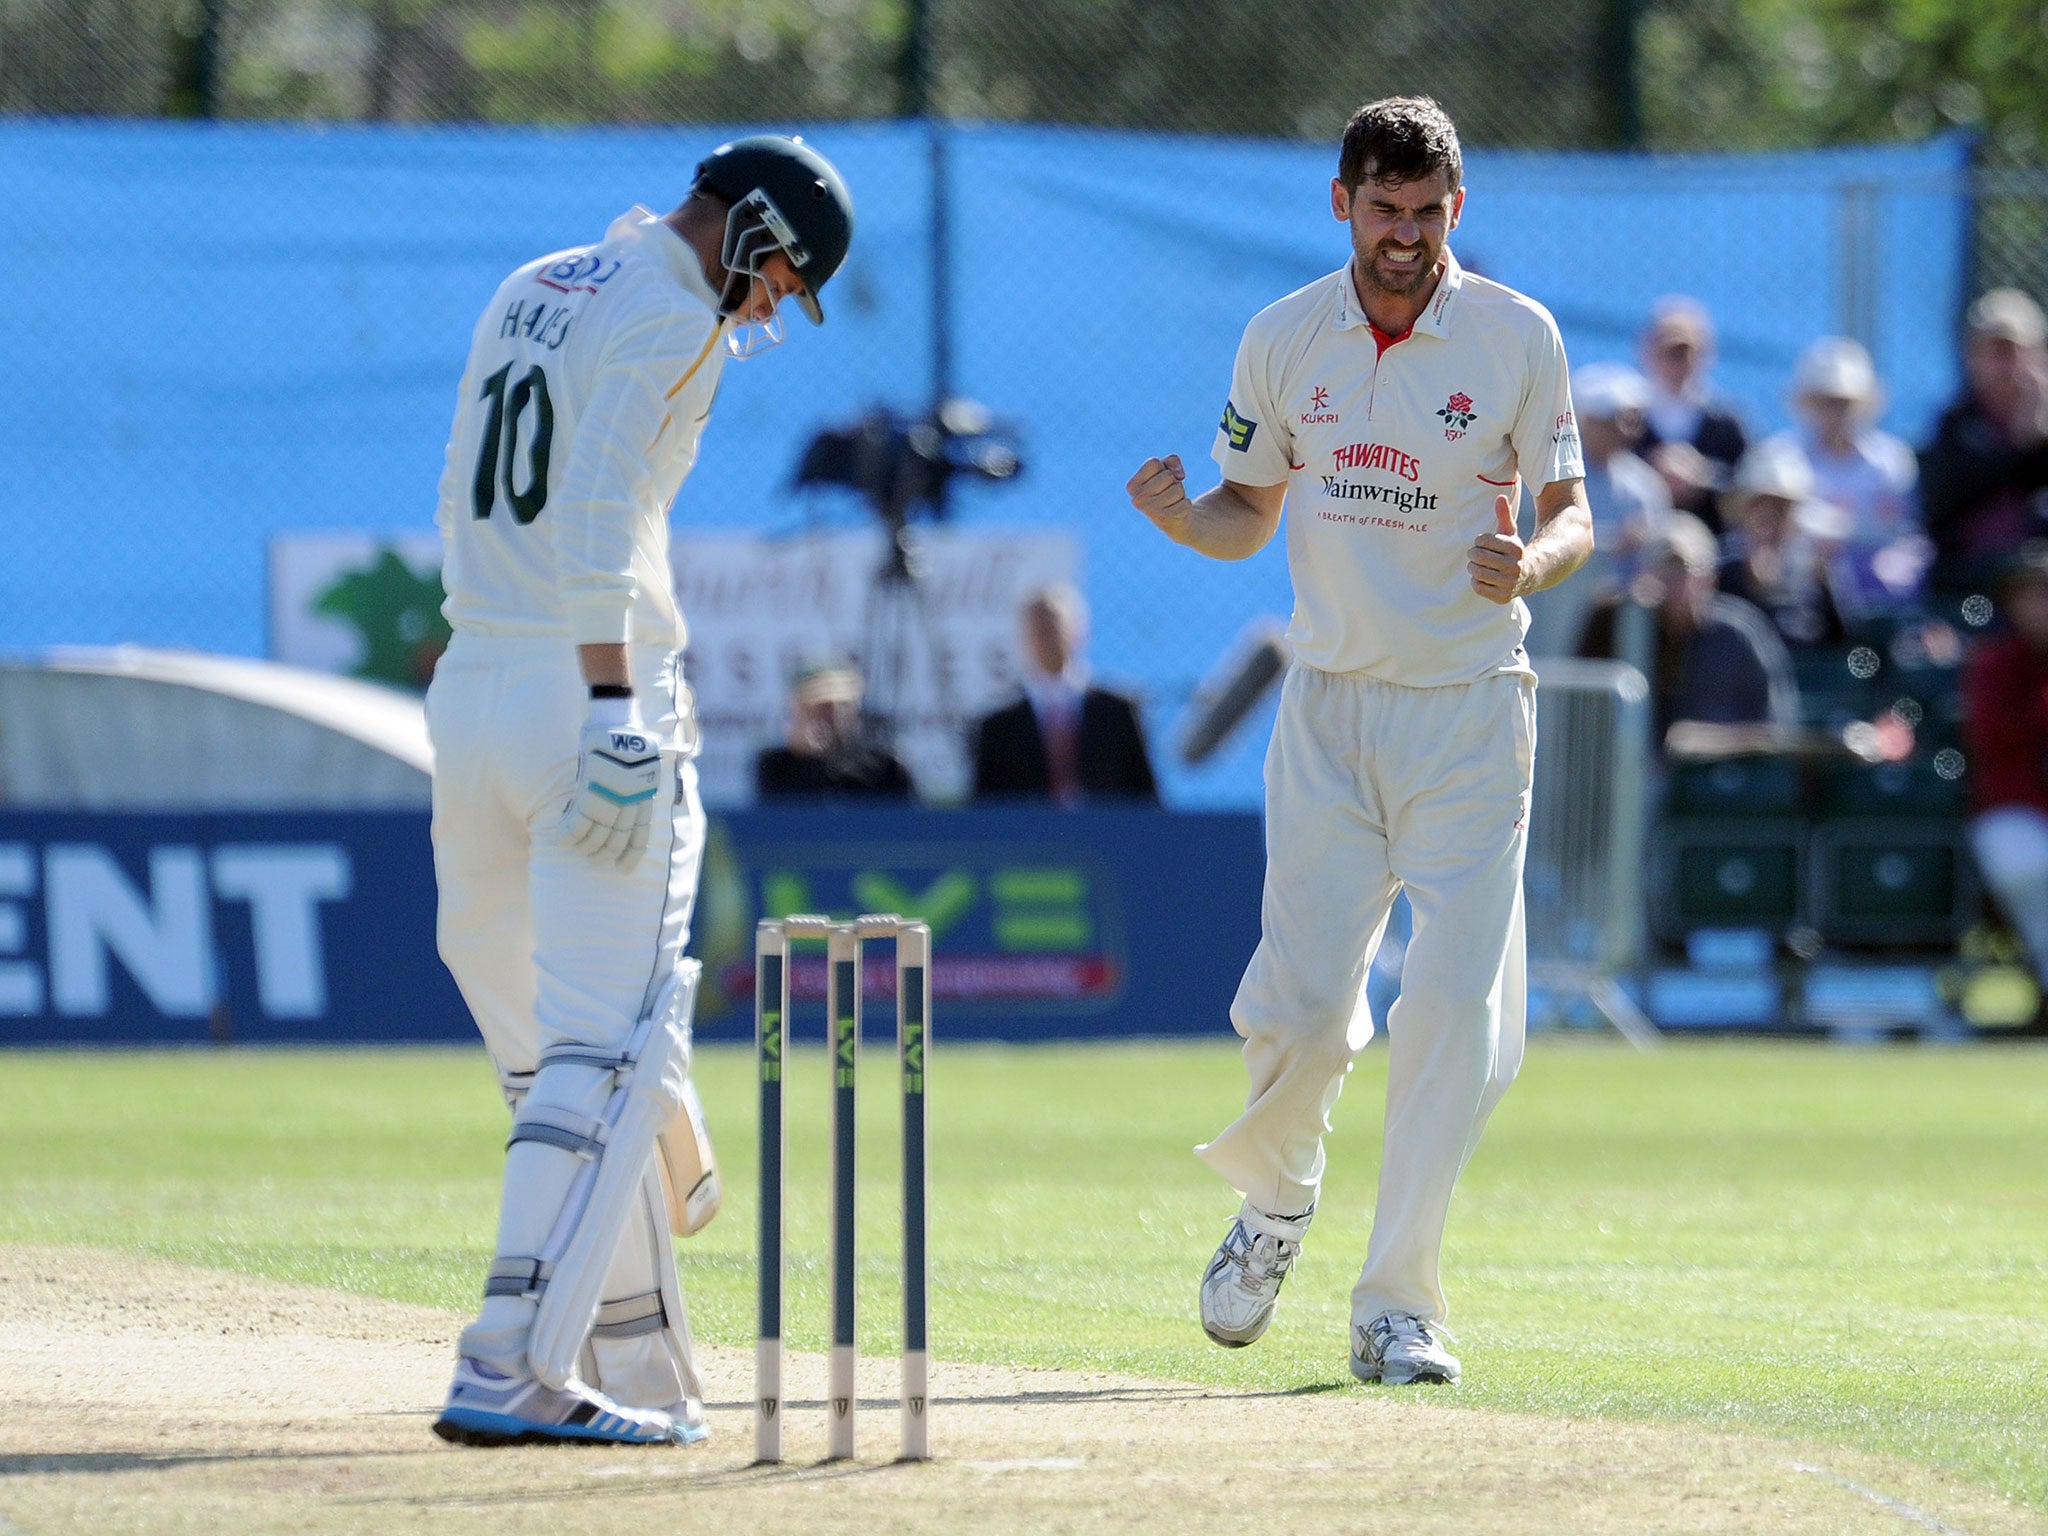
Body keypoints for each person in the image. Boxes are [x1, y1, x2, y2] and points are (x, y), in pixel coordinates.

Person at [1126, 96, 1592, 1388]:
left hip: (1468, 710)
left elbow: (1573, 514)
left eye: (1428, 213)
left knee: (1451, 1010)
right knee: (1301, 1010)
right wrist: (1181, 518)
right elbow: (1244, 513)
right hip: (1330, 708)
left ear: (1459, 208)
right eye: (1384, 211)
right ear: (1341, 204)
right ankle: (1276, 1204)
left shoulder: (1515, 336)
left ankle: (1399, 1305)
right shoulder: (1284, 338)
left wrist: (1529, 564)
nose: (1405, 236)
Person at [423, 135, 854, 1447]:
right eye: (780, 275)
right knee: (604, 1043)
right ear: (750, 227)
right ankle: (508, 1359)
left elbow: (471, 487)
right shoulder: (678, 317)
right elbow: (604, 518)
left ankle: (640, 1364)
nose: (773, 304)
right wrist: (615, 706)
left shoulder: (535, 279)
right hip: (593, 699)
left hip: (475, 688)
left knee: (542, 1054)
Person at [1577, 512, 1799, 748]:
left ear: (1710, 576)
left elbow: (1778, 728)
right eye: (1665, 570)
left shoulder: (1740, 633)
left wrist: (1704, 741)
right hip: (1641, 778)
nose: (1674, 582)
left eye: (1684, 569)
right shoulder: (1623, 624)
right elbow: (1582, 707)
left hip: (1734, 777)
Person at [1524, 360, 1669, 656]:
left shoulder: (1645, 489)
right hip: (1542, 618)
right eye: (1611, 420)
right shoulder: (1544, 473)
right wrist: (1613, 544)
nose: (1623, 430)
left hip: (1605, 637)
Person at [970, 580, 1159, 805]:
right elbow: (986, 810)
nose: (1045, 637)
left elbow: (1145, 798)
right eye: (1037, 629)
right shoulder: (999, 726)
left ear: (1078, 631)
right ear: (1024, 638)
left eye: (1052, 625)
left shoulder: (1118, 711)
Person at [1771, 336, 1922, 616]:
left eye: (1843, 403)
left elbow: (1907, 535)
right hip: (1803, 588)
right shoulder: (1783, 457)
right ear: (1808, 403)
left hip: (1880, 592)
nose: (1835, 413)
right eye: (1826, 402)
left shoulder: (1891, 461)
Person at [1962, 542, 2048, 1028]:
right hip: (2017, 808)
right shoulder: (1994, 664)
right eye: (2033, 595)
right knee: (2025, 861)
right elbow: (1998, 738)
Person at [1921, 288, 2048, 595]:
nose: (2007, 366)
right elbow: (1948, 506)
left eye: (2015, 351)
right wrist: (2027, 450)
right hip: (1971, 581)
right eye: (1994, 352)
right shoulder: (1955, 425)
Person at [1716, 437, 1848, 653]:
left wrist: (1826, 585)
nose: (1770, 517)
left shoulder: (1812, 571)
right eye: (1761, 505)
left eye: (1781, 508)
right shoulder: (1720, 567)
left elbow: (1842, 642)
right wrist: (1749, 581)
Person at [1637, 296, 1748, 532]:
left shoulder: (1725, 424)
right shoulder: (1629, 417)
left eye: (1685, 352)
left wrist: (1703, 477)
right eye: (1670, 352)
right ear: (1648, 352)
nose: (1678, 362)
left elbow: (1746, 482)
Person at [755, 658, 915, 800]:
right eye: (817, 707)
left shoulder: (886, 768)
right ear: (797, 709)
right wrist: (805, 755)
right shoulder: (776, 765)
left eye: (839, 705)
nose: (828, 715)